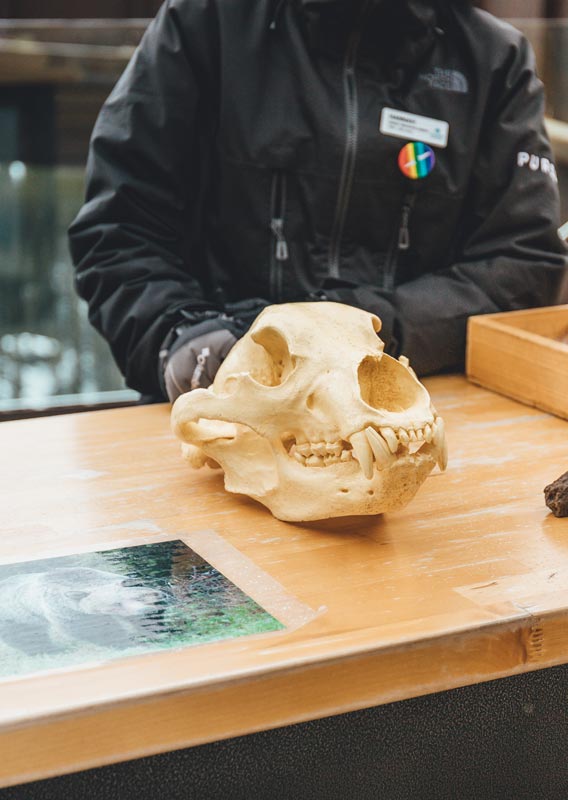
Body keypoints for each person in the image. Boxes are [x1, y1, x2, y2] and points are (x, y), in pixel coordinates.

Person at [69, 0, 568, 402]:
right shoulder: (204, 24)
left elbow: (524, 264)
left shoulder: (492, 60)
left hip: (415, 411)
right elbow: (119, 229)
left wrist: (353, 330)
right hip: (218, 412)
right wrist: (179, 336)